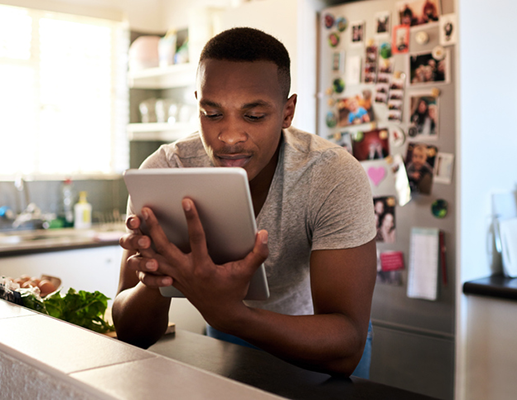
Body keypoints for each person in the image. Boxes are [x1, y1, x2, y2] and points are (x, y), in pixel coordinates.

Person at [112, 27, 377, 378]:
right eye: (212, 113)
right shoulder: (165, 171)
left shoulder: (332, 175)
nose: (229, 136)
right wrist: (156, 278)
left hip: (318, 346)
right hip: (228, 344)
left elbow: (347, 345)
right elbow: (130, 332)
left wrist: (231, 314)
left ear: (287, 112)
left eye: (253, 116)